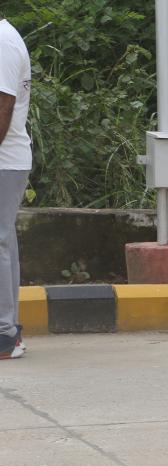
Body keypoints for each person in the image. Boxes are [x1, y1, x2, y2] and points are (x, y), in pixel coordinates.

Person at [0, 15, 31, 360]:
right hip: (7, 160)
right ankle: (7, 331)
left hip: (4, 160)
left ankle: (4, 335)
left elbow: (3, 106)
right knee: (2, 241)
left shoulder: (2, 41)